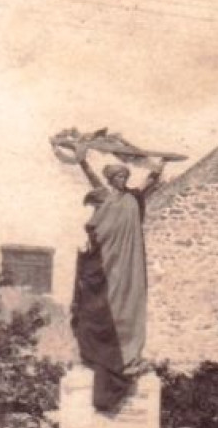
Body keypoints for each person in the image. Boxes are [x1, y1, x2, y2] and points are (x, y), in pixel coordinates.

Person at [70, 144, 170, 411]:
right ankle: (101, 355)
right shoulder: (104, 196)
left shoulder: (134, 199)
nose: (123, 181)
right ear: (111, 179)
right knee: (100, 307)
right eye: (119, 178)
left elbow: (149, 184)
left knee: (128, 307)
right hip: (106, 262)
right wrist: (82, 162)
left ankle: (129, 356)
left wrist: (159, 167)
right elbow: (91, 179)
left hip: (128, 263)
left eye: (126, 177)